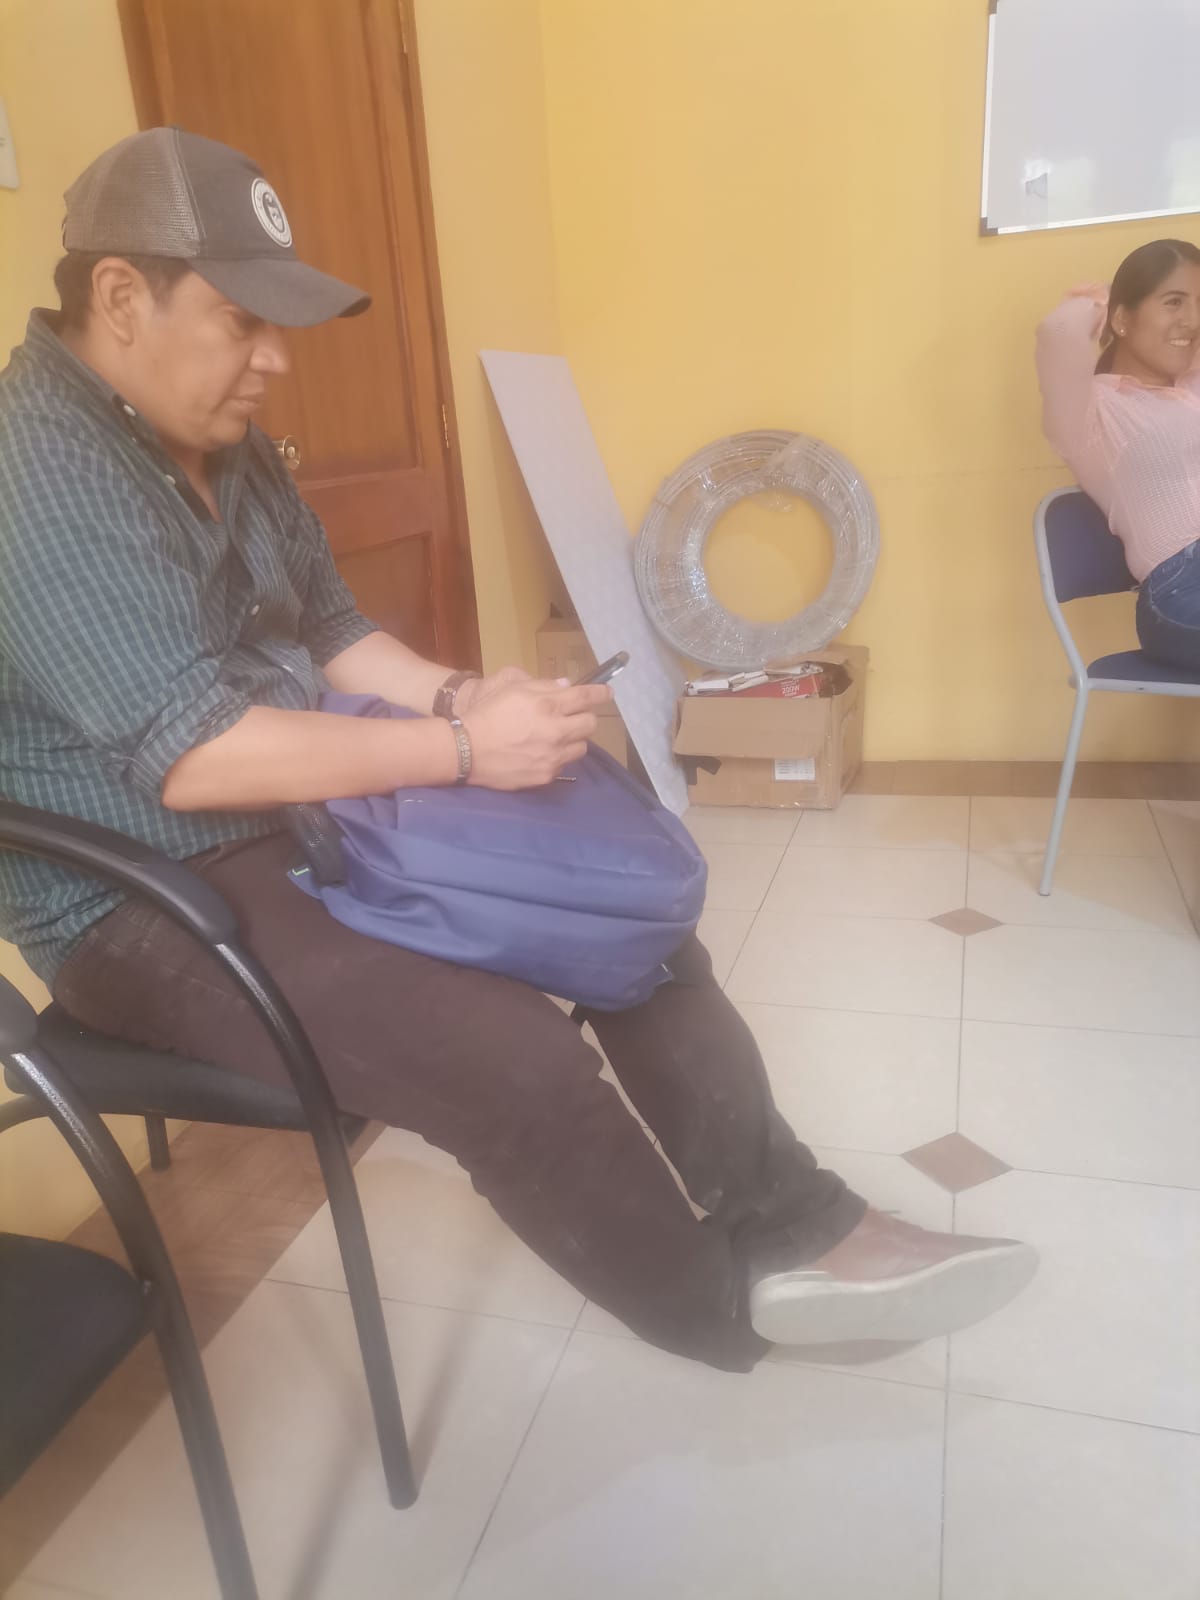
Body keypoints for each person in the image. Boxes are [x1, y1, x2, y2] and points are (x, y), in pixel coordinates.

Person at [0, 128, 1037, 1373]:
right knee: (504, 1053)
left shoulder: (219, 434)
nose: (273, 358)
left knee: (616, 915)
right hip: (142, 895)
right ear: (121, 296)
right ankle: (722, 1311)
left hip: (302, 814)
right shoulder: (38, 468)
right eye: (241, 321)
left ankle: (794, 1223)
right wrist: (455, 750)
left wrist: (469, 697)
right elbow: (195, 758)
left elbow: (331, 629)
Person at [1037, 238, 1200, 672]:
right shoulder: (1093, 413)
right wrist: (1103, 300)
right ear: (1123, 319)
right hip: (1180, 587)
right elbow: (1057, 332)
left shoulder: (1192, 389)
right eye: (1173, 301)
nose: (1191, 319)